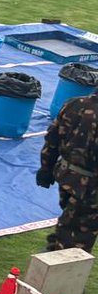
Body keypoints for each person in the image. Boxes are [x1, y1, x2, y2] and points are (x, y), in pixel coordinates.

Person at [38, 91, 98, 253]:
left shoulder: (74, 104)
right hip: (90, 188)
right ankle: (58, 257)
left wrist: (46, 167)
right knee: (78, 236)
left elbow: (53, 139)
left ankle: (55, 249)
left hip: (67, 177)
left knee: (69, 220)